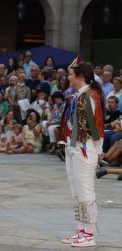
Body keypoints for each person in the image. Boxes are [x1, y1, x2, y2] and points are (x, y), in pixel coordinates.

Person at [60, 57, 104, 247]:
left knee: (85, 191)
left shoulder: (91, 97)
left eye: (70, 75)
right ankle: (81, 230)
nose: (68, 78)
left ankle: (89, 233)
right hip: (72, 146)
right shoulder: (77, 96)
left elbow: (97, 125)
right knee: (76, 191)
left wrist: (100, 149)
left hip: (85, 148)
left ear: (80, 76)